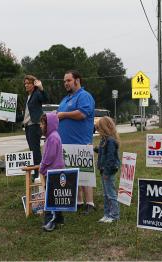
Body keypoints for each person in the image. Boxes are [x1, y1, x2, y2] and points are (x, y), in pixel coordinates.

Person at [57, 70, 96, 215]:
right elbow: (59, 115)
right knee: (74, 175)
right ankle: (79, 202)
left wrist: (63, 114)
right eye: (64, 81)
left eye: (68, 80)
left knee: (85, 175)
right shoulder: (65, 99)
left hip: (81, 143)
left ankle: (90, 204)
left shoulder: (84, 96)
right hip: (66, 144)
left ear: (77, 80)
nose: (66, 83)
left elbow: (82, 114)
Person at [39, 113, 65, 232]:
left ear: (50, 124)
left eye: (43, 123)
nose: (40, 126)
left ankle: (51, 221)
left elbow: (49, 157)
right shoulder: (52, 136)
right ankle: (59, 218)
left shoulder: (53, 138)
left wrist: (42, 167)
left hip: (53, 172)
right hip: (54, 171)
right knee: (55, 196)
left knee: (51, 198)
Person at [21, 75, 48, 179]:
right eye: (25, 83)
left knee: (35, 151)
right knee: (32, 150)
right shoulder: (28, 97)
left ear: (33, 84)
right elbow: (24, 115)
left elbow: (45, 98)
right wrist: (9, 118)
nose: (26, 85)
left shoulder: (37, 94)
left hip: (35, 125)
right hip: (28, 126)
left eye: (28, 83)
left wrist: (41, 88)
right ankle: (37, 173)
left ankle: (39, 174)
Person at [95, 116, 121, 223]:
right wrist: (93, 148)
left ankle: (114, 215)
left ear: (105, 128)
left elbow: (110, 158)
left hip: (108, 171)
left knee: (111, 194)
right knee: (105, 194)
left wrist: (106, 171)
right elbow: (102, 152)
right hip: (103, 170)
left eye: (99, 128)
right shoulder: (104, 140)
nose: (97, 131)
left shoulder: (110, 141)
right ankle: (107, 214)